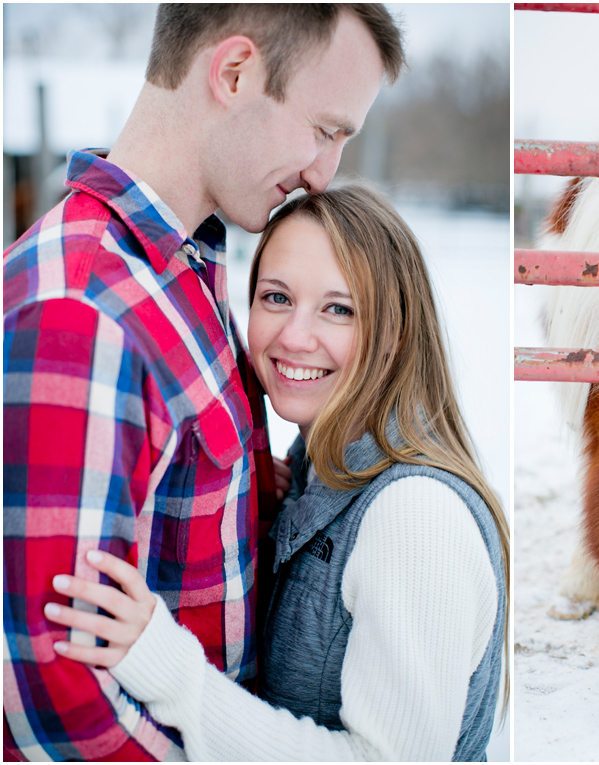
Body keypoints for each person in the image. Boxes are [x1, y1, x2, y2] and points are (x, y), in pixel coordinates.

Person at [3, 5, 404, 760]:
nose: (325, 173)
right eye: (325, 130)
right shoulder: (82, 310)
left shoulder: (186, 270)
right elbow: (54, 695)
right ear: (234, 72)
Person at [44, 185, 510, 761]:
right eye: (276, 297)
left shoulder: (414, 514)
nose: (294, 336)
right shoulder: (315, 470)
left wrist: (173, 674)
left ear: (394, 334)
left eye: (338, 309)